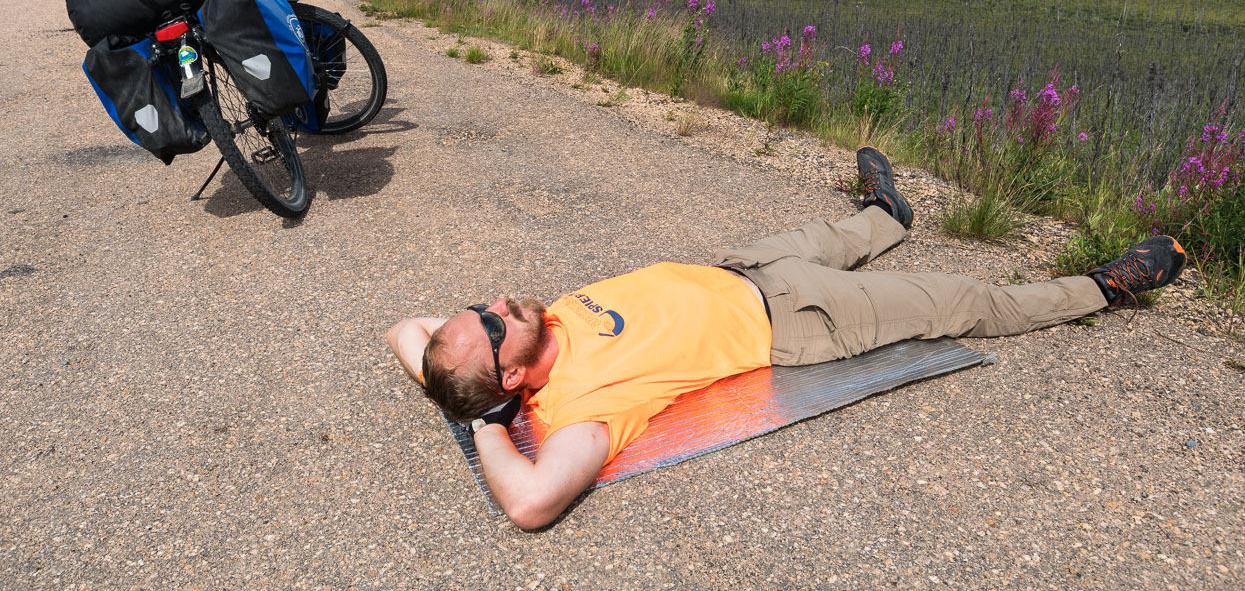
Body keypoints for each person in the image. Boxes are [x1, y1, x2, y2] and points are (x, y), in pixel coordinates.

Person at [387, 147, 1186, 529]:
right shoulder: (582, 408)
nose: (496, 303)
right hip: (802, 318)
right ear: (514, 379)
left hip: (748, 267)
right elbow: (528, 503)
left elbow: (405, 330)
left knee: (834, 232)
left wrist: (453, 377)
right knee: (962, 300)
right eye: (492, 323)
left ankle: (886, 216)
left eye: (479, 307)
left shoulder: (512, 345)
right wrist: (486, 424)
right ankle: (1105, 288)